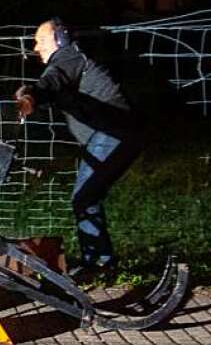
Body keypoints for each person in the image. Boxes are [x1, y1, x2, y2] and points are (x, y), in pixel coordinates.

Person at [14, 18, 142, 281]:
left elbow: (52, 81)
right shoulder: (71, 59)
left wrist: (32, 97)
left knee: (83, 197)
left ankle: (98, 265)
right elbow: (51, 87)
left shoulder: (68, 57)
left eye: (40, 41)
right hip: (112, 133)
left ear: (58, 40)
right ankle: (100, 263)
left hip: (113, 133)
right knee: (87, 197)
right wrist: (31, 94)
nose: (35, 48)